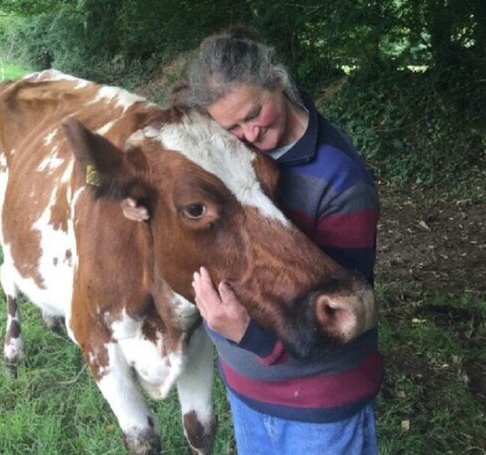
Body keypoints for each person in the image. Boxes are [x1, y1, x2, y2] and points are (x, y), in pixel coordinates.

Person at [123, 27, 381, 454]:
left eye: (255, 112)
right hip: (246, 392)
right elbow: (164, 154)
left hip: (321, 409)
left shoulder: (340, 180)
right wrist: (139, 198)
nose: (250, 133)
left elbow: (346, 317)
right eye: (233, 125)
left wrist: (248, 336)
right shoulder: (227, 150)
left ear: (277, 81)